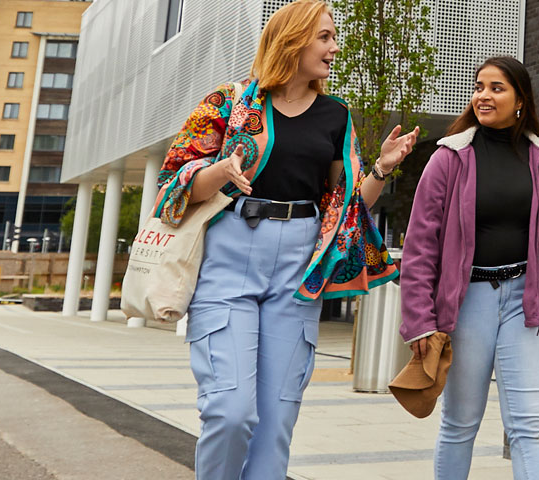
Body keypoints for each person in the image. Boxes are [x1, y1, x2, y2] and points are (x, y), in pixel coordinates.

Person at [153, 1, 419, 478]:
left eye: (333, 37)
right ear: (292, 39)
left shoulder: (336, 116)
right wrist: (221, 170)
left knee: (276, 424)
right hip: (229, 260)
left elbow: (349, 206)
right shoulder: (227, 102)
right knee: (231, 413)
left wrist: (382, 167)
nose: (335, 48)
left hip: (298, 269)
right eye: (324, 37)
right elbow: (171, 184)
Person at [397, 55, 539, 480]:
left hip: (529, 300)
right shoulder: (449, 157)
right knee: (460, 423)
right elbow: (420, 244)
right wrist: (420, 320)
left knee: (530, 427)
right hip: (467, 303)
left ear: (520, 100)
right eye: (479, 86)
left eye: (496, 88)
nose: (483, 95)